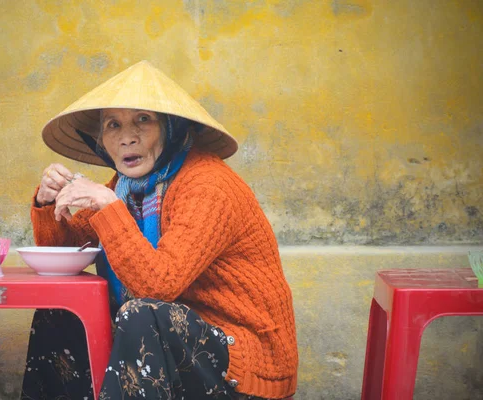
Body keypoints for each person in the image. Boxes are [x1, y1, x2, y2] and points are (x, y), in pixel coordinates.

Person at [21, 61, 298, 400]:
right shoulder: (127, 187)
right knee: (61, 312)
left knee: (142, 314)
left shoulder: (208, 185)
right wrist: (48, 204)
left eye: (143, 120)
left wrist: (108, 207)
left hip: (241, 357)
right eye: (113, 125)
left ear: (172, 128)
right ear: (101, 141)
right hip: (172, 341)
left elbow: (158, 285)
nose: (127, 137)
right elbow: (68, 250)